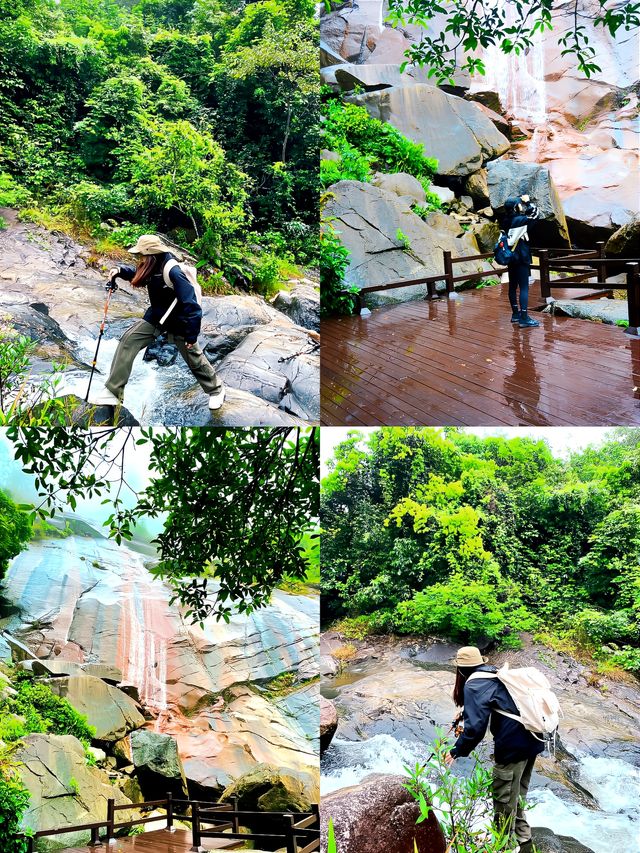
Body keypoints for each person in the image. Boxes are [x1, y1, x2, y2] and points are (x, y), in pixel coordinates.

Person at [91, 234, 225, 410]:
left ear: (150, 254)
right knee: (128, 341)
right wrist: (120, 271)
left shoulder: (173, 272)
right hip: (156, 317)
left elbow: (191, 305)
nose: (139, 258)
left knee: (194, 359)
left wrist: (191, 336)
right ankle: (113, 393)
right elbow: (139, 274)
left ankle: (216, 390)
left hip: (179, 321)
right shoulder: (152, 264)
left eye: (141, 254)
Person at [444, 647, 544, 853]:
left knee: (503, 799)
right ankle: (525, 842)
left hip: (513, 745)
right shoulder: (494, 673)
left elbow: (475, 730)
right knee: (516, 796)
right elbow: (496, 704)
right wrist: (465, 712)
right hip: (533, 739)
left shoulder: (474, 684)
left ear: (461, 669)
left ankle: (503, 847)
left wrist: (456, 750)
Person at [502, 195, 540, 329]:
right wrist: (528, 202)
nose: (521, 206)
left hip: (510, 257)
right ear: (516, 207)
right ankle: (524, 317)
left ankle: (515, 314)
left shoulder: (505, 221)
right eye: (519, 204)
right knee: (524, 287)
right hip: (521, 256)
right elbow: (536, 214)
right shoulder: (521, 220)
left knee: (512, 286)